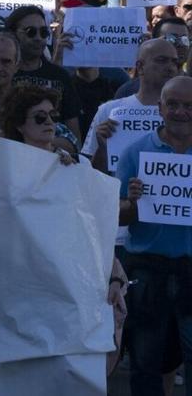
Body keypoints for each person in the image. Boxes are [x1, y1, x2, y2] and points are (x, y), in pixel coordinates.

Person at [116, 75, 192, 395]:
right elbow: (118, 215)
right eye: (172, 104)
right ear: (160, 108)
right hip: (147, 269)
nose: (180, 112)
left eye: (189, 106)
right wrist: (132, 202)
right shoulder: (137, 151)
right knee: (145, 360)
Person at [83, 38, 180, 170]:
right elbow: (89, 172)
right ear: (140, 67)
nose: (170, 67)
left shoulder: (185, 115)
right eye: (161, 60)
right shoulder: (110, 111)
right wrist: (103, 147)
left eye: (175, 62)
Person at [5, 5, 82, 143]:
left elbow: (74, 136)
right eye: (31, 32)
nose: (38, 38)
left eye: (43, 32)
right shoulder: (3, 75)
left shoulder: (60, 76)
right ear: (12, 34)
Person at [0, 83, 78, 160]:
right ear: (19, 124)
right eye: (40, 117)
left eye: (53, 115)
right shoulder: (7, 163)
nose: (49, 121)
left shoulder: (76, 162)